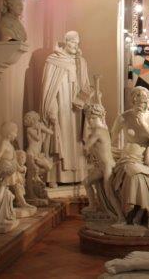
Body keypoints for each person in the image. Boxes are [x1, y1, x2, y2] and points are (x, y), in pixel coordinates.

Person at [110, 87, 149, 231]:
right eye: (142, 102)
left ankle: (141, 214)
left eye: (147, 102)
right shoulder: (123, 117)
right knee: (136, 176)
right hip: (131, 157)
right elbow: (111, 140)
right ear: (133, 100)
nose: (145, 105)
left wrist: (144, 125)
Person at [41, 30, 92, 183]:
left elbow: (86, 84)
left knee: (77, 137)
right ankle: (58, 176)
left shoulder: (81, 61)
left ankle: (78, 175)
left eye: (77, 43)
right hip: (61, 104)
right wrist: (51, 106)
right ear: (66, 42)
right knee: (61, 135)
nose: (75, 46)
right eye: (73, 42)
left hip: (77, 109)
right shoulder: (53, 60)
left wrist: (83, 99)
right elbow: (48, 88)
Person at [82, 103, 120, 217]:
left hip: (107, 166)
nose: (89, 121)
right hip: (101, 167)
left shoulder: (97, 131)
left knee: (110, 194)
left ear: (98, 117)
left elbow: (86, 147)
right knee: (86, 182)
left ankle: (121, 217)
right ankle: (92, 206)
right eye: (88, 119)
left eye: (92, 118)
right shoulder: (103, 129)